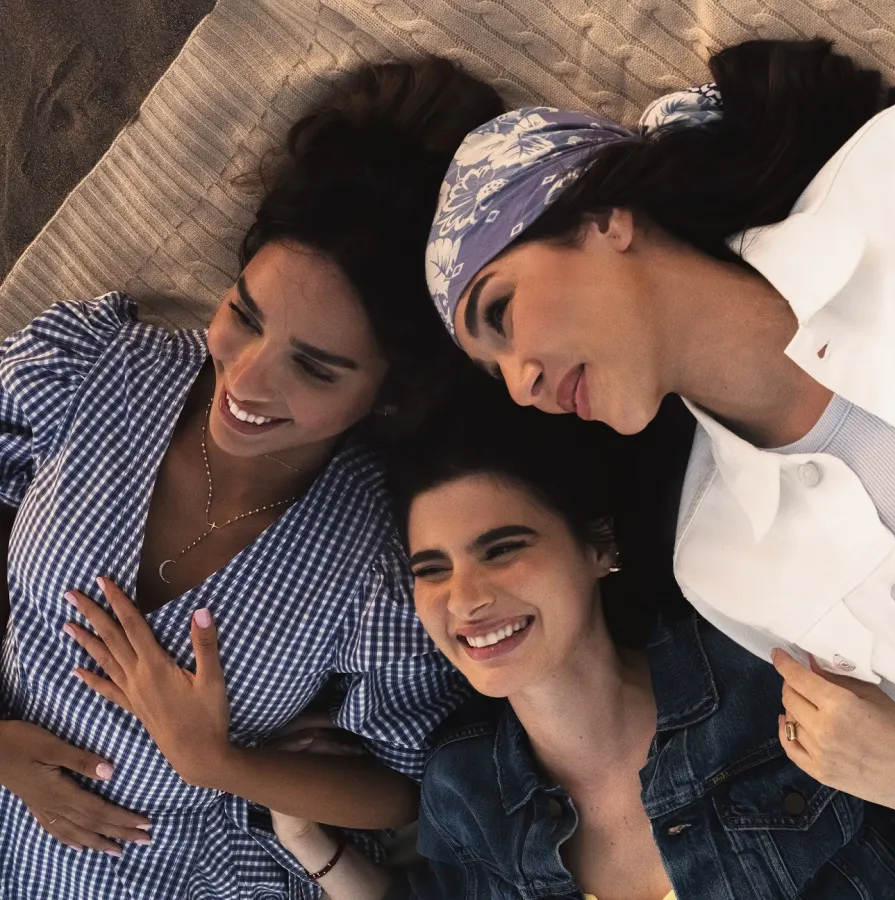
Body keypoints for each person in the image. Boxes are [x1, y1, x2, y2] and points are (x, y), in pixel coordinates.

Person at [423, 38, 895, 849]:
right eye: (494, 374)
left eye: (501, 314)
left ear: (603, 219)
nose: (520, 384)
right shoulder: (723, 562)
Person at [0, 57, 504, 899]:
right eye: (243, 314)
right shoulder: (93, 368)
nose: (246, 380)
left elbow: (404, 788)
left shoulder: (380, 559)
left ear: (390, 394)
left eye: (315, 367)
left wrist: (216, 761)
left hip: (168, 873)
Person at [268, 400, 895, 899]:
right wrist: (307, 840)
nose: (465, 598)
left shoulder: (762, 679)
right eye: (431, 570)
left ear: (598, 548)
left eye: (503, 549)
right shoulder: (466, 783)